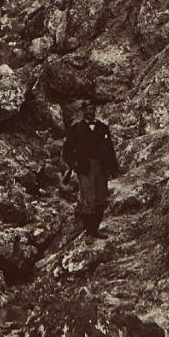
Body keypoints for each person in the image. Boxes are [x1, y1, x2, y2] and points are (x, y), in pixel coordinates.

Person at [62, 101, 119, 236]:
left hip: (101, 167)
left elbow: (109, 149)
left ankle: (96, 229)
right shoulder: (76, 128)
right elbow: (67, 149)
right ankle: (89, 231)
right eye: (87, 108)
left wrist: (113, 167)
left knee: (101, 198)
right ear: (82, 111)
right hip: (84, 168)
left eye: (92, 108)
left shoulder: (103, 127)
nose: (90, 111)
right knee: (88, 200)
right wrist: (74, 164)